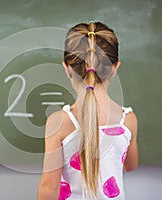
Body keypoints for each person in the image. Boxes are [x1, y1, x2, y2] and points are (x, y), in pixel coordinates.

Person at [37, 21, 138, 200]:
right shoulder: (128, 120)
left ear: (67, 68)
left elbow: (49, 187)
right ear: (115, 68)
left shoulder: (59, 122)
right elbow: (130, 165)